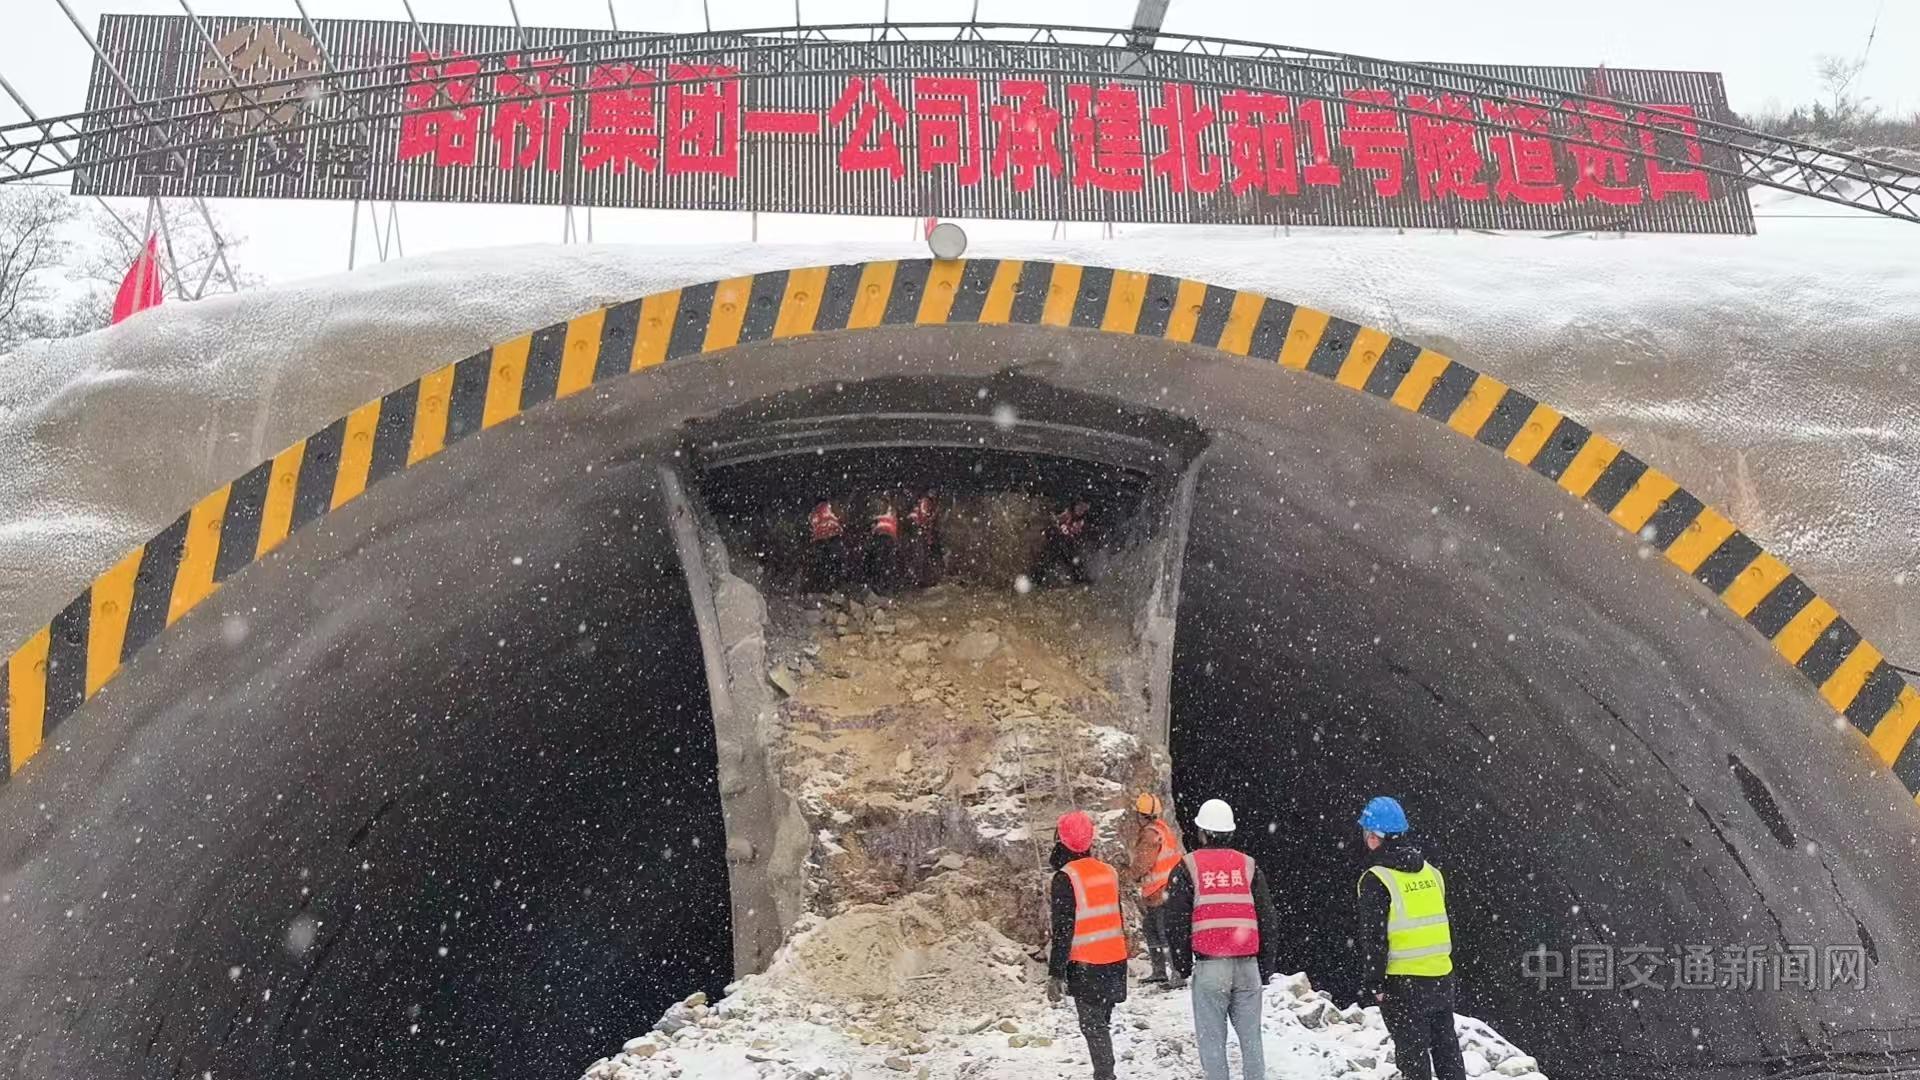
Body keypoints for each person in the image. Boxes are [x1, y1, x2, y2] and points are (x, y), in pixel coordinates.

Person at [1164, 798, 1278, 1080]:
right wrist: (1265, 967)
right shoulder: (1248, 866)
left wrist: (1181, 965)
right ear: (1230, 832)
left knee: (1212, 1042)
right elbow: (1269, 919)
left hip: (1211, 967)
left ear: (1202, 832)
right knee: (1252, 1040)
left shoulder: (1187, 866)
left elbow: (1175, 920)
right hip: (1248, 965)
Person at [1355, 796, 1464, 1080]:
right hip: (1441, 977)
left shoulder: (1377, 879)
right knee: (1446, 1049)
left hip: (1404, 984)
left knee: (1413, 1058)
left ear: (1375, 837)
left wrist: (1374, 982)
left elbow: (1375, 938)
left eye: (1367, 833)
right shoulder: (1432, 873)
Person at [1048, 810, 1129, 1080]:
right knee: (1101, 1023)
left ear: (1062, 840)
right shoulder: (1109, 872)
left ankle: (1105, 1075)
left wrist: (1055, 973)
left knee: (1093, 1027)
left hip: (1086, 965)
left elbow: (1063, 930)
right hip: (1115, 960)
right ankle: (1105, 1071)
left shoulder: (1065, 878)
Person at [1126, 792, 1185, 987]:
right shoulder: (1162, 829)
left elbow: (1143, 863)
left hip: (1159, 891)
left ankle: (1175, 973)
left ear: (1140, 815)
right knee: (1152, 930)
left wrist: (1130, 875)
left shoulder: (1150, 835)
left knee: (1162, 933)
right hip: (1166, 889)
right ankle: (1160, 971)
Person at [1036, 498, 1093, 585]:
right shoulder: (1068, 514)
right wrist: (1054, 523)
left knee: (1072, 560)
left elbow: (1075, 533)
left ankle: (1081, 579)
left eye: (1084, 508)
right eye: (1079, 507)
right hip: (1056, 542)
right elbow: (1056, 520)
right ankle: (1038, 577)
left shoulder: (1082, 522)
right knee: (1048, 557)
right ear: (1075, 506)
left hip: (1068, 545)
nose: (1081, 511)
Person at [860, 493, 902, 593]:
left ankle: (880, 587)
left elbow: (870, 528)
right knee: (887, 563)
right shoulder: (892, 512)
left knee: (881, 563)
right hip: (888, 539)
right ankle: (886, 587)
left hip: (883, 538)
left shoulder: (879, 514)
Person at [903, 489, 942, 588]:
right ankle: (918, 580)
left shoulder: (926, 503)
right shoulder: (925, 503)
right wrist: (933, 517)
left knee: (923, 556)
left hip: (918, 531)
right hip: (916, 530)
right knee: (920, 555)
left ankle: (921, 579)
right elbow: (924, 519)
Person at [805, 499, 847, 592]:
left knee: (823, 567)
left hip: (820, 541)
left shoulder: (814, 512)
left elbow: (812, 525)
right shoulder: (830, 506)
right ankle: (833, 590)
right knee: (836, 565)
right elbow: (840, 517)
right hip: (832, 538)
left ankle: (824, 590)